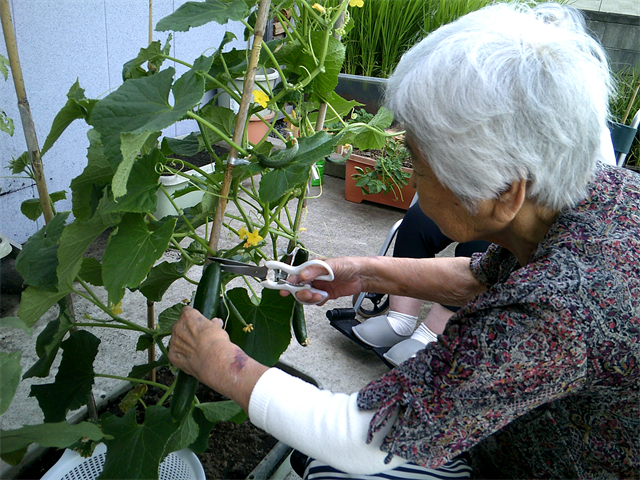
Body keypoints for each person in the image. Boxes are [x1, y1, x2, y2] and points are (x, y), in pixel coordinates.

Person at [169, 3, 640, 479]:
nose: (409, 176)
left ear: (503, 193)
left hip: (537, 466)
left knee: (330, 468)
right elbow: (487, 279)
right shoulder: (600, 190)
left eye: (416, 161)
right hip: (520, 434)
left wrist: (220, 363)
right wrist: (364, 272)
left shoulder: (560, 308)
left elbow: (367, 435)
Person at [351, 203, 491, 367]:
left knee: (483, 243)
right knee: (420, 216)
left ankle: (431, 335)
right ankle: (401, 320)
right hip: (481, 190)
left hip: (518, 208)